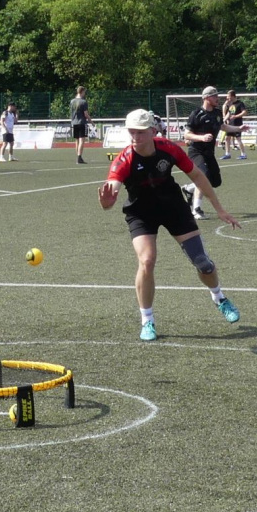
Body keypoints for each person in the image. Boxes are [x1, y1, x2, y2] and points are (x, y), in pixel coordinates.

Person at [101, 109, 243, 342]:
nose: (135, 136)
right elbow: (111, 192)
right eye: (132, 132)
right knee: (146, 261)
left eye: (140, 132)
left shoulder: (168, 149)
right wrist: (107, 202)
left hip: (173, 207)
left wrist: (219, 209)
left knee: (203, 263)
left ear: (152, 131)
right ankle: (147, 320)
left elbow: (197, 176)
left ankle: (219, 298)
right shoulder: (124, 159)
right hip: (141, 213)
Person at [179, 87, 225, 221]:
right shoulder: (196, 114)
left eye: (217, 95)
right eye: (214, 96)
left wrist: (239, 128)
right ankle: (196, 209)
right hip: (196, 151)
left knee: (215, 182)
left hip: (209, 153)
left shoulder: (217, 113)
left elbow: (223, 127)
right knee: (203, 177)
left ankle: (189, 189)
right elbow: (187, 135)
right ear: (206, 98)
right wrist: (202, 137)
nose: (217, 98)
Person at [219, 89, 247, 160]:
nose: (227, 98)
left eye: (228, 96)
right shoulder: (230, 104)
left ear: (233, 96)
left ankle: (243, 154)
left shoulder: (240, 103)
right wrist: (223, 120)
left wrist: (236, 116)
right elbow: (229, 113)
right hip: (230, 125)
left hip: (237, 125)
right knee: (227, 138)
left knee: (238, 139)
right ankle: (227, 154)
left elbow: (244, 112)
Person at [69, 86, 91, 163]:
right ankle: (79, 157)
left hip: (74, 122)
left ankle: (78, 157)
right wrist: (91, 121)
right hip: (82, 122)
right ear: (82, 92)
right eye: (84, 92)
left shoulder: (72, 101)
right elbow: (86, 114)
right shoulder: (83, 102)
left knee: (77, 140)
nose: (85, 93)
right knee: (82, 140)